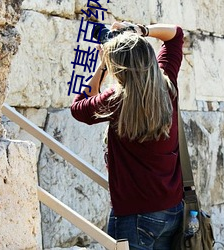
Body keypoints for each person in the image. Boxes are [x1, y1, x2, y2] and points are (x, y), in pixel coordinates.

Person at [71, 21, 184, 250]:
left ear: (118, 68)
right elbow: (175, 35)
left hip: (134, 216)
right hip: (172, 209)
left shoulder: (115, 100)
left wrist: (102, 66)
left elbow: (78, 108)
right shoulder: (167, 85)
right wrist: (140, 30)